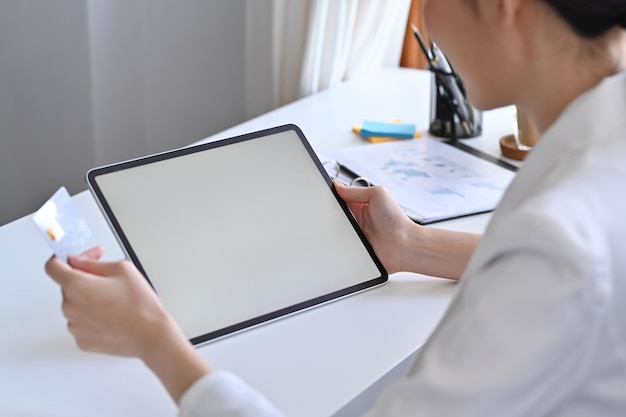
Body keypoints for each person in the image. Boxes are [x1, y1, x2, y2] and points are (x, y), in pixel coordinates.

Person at [46, 0, 626, 415]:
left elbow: (557, 265)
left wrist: (154, 340)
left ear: (505, 7)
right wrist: (412, 245)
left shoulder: (559, 239)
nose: (424, 20)